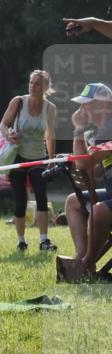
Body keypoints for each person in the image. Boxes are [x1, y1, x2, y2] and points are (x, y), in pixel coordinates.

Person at [0, 69, 58, 251]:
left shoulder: (50, 108)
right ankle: (21, 241)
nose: (32, 86)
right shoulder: (18, 101)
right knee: (20, 200)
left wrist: (51, 160)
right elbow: (3, 124)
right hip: (17, 156)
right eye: (31, 82)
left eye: (37, 83)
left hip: (38, 157)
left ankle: (44, 240)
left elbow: (50, 135)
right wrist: (8, 135)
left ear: (45, 87)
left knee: (41, 197)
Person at [63, 83, 112, 266]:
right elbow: (100, 168)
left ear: (103, 105)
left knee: (99, 210)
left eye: (86, 104)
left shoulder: (109, 129)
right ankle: (80, 257)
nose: (81, 109)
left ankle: (87, 265)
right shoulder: (104, 130)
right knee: (73, 201)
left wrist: (78, 129)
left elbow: (83, 162)